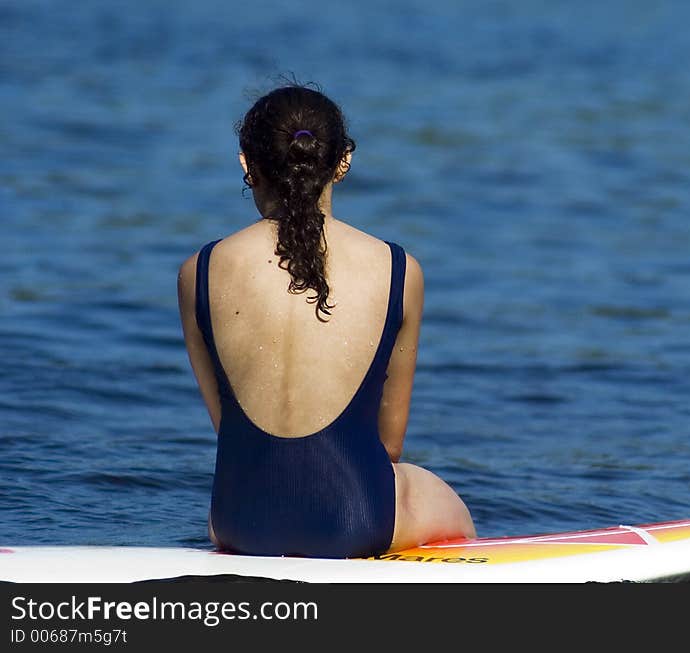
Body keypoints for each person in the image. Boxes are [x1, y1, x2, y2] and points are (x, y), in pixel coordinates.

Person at [177, 81, 476, 558]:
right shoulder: (400, 270)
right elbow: (389, 445)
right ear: (343, 162)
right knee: (431, 493)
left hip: (237, 521)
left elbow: (229, 429)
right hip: (354, 521)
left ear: (246, 165)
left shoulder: (199, 270)